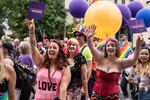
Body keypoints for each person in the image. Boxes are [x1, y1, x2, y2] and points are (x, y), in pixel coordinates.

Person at [86, 25, 143, 100]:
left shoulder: (120, 63)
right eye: (108, 46)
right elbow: (92, 47)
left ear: (117, 48)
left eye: (113, 46)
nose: (110, 47)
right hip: (96, 95)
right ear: (105, 48)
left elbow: (134, 59)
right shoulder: (99, 59)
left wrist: (138, 44)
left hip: (112, 96)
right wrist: (88, 37)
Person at [25, 19, 71, 100]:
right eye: (50, 47)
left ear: (59, 52)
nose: (51, 49)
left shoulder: (65, 67)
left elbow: (63, 89)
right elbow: (33, 47)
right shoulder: (41, 62)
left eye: (54, 48)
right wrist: (31, 32)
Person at [73, 24, 93, 98]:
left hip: (86, 81)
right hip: (77, 80)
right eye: (76, 35)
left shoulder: (87, 49)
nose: (77, 37)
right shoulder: (76, 47)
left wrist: (84, 87)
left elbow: (89, 68)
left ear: (84, 36)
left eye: (79, 35)